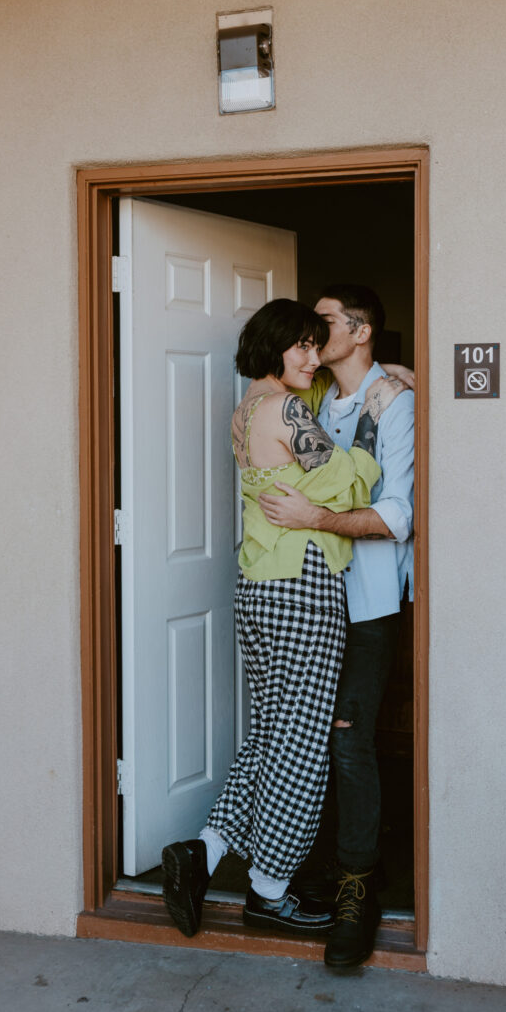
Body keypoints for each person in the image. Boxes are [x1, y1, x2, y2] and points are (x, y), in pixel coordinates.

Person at [161, 298, 407, 940]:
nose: (312, 356)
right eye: (299, 346)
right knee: (303, 748)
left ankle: (204, 852)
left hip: (257, 586)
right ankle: (269, 890)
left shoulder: (245, 411)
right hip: (301, 589)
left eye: (314, 343)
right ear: (275, 350)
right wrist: (362, 460)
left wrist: (395, 372)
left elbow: (310, 468)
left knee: (272, 732)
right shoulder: (290, 409)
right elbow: (353, 484)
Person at [258, 285, 415, 966]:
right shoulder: (313, 400)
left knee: (348, 739)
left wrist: (315, 519)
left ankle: (359, 886)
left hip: (367, 603)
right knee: (302, 731)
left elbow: (396, 514)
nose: (310, 335)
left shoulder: (398, 404)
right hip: (308, 599)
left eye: (321, 324)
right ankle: (294, 869)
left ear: (358, 330)